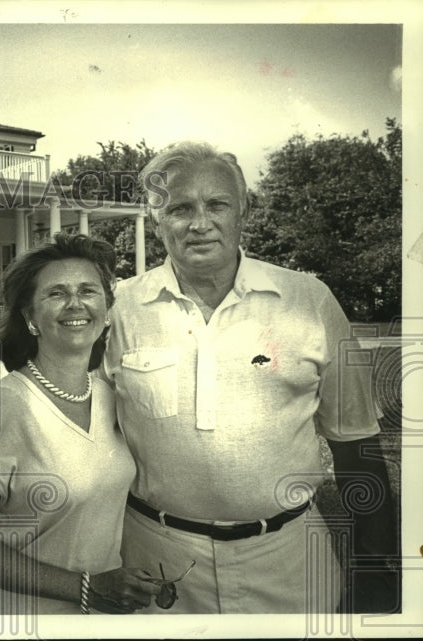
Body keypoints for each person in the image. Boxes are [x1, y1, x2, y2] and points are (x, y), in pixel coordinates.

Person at [104, 140, 399, 614]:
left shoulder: (310, 299)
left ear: (243, 210)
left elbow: (357, 445)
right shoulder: (117, 307)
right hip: (155, 565)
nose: (200, 223)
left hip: (289, 562)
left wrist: (377, 571)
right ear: (156, 220)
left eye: (217, 204)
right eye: (180, 208)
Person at [0, 233, 161, 615]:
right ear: (29, 317)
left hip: (88, 623)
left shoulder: (113, 398)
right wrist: (86, 588)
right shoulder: (0, 408)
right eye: (56, 293)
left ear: (107, 309)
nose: (75, 304)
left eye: (88, 291)